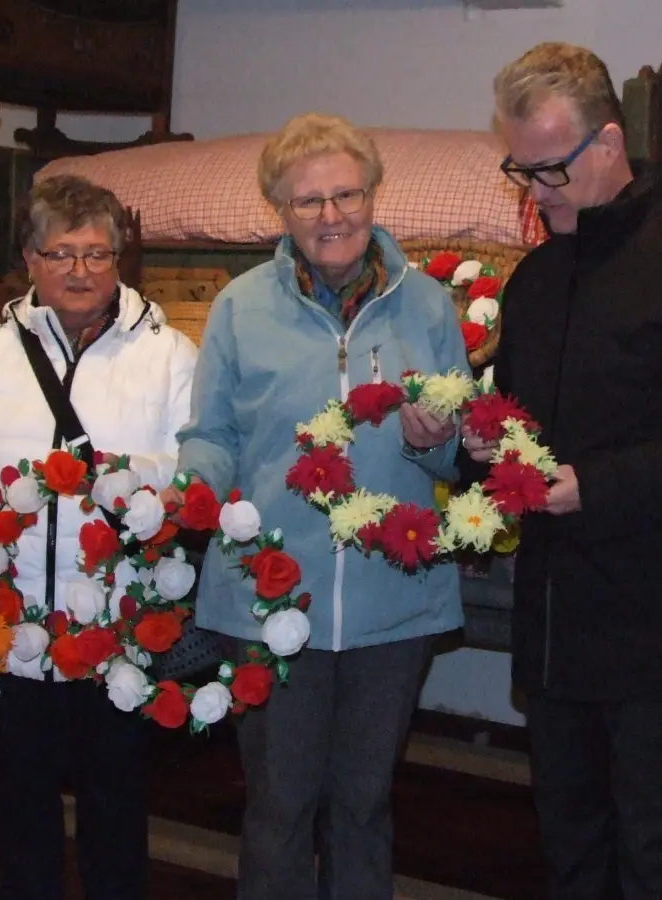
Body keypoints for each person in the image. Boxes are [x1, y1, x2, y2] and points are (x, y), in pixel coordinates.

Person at [466, 43, 662, 899]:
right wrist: (483, 447)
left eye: (550, 170)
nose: (535, 192)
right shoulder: (533, 282)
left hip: (656, 611)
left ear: (608, 144)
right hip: (552, 616)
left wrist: (596, 486)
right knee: (567, 841)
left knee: (653, 847)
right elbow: (520, 426)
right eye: (521, 170)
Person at [174, 112, 467, 898]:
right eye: (309, 201)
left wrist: (430, 439)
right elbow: (212, 433)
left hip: (393, 600)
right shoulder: (240, 307)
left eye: (347, 195)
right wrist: (191, 489)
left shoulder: (430, 307)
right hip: (270, 595)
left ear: (374, 197)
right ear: (280, 209)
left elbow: (453, 458)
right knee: (278, 807)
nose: (331, 216)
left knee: (365, 806)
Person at [0, 175, 196, 900]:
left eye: (97, 254)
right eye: (62, 254)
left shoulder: (169, 355)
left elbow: (192, 465)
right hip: (7, 627)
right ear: (29, 259)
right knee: (18, 800)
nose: (81, 271)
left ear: (121, 259)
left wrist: (121, 478)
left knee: (116, 800)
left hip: (116, 628)